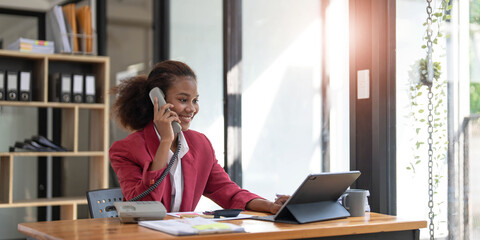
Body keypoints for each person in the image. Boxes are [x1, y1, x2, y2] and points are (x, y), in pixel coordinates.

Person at [109, 60, 288, 214]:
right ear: (158, 101)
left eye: (195, 100)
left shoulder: (200, 144)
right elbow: (142, 207)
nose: (192, 109)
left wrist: (270, 206)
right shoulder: (125, 150)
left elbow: (228, 191)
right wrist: (165, 142)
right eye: (183, 100)